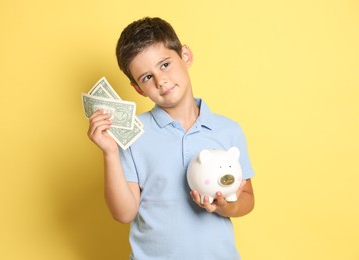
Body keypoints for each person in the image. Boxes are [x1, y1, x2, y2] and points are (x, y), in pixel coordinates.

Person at [87, 17, 255, 260]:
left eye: (165, 64)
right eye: (147, 77)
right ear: (137, 88)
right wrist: (110, 152)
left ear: (185, 55)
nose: (160, 81)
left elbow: (247, 199)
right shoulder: (133, 134)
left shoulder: (228, 130)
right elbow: (124, 214)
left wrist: (224, 206)